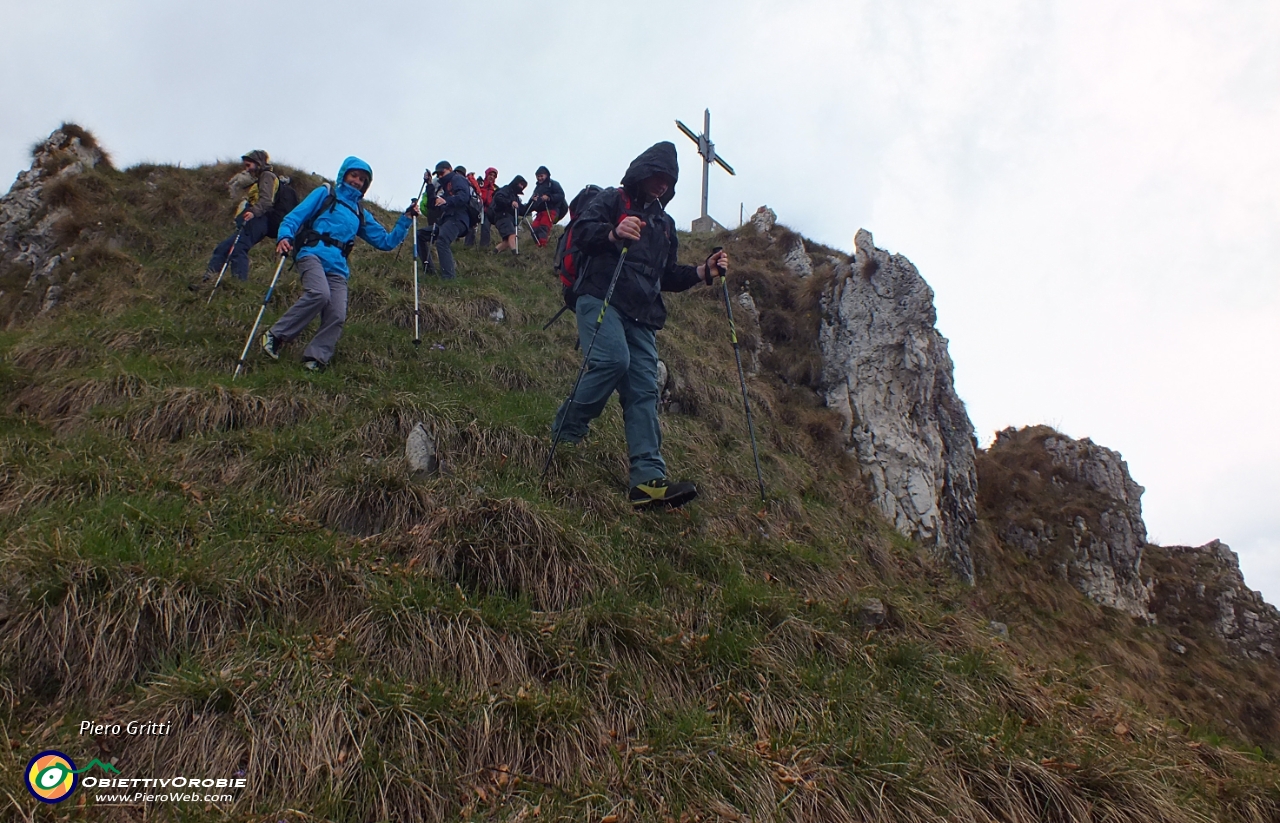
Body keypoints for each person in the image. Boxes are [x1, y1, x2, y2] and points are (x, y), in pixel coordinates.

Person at [550, 141, 728, 509]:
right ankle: (565, 432)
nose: (662, 185)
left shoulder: (665, 225)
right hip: (600, 296)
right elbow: (582, 231)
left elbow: (667, 275)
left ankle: (647, 481)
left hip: (643, 315)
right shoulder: (613, 200)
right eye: (658, 176)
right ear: (642, 171)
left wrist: (702, 271)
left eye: (669, 180)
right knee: (613, 361)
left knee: (644, 390)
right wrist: (614, 233)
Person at [260, 156, 415, 371]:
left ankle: (315, 358)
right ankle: (276, 335)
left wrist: (405, 219)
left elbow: (385, 242)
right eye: (354, 176)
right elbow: (295, 217)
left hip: (338, 267)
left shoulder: (360, 212)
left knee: (337, 314)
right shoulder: (325, 193)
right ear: (344, 175)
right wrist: (285, 236)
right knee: (319, 294)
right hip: (312, 253)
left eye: (362, 179)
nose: (357, 182)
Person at [199, 150, 279, 284]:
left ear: (258, 163)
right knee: (223, 248)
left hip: (258, 219)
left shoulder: (267, 176)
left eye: (249, 165)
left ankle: (238, 285)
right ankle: (208, 281)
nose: (247, 169)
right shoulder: (259, 178)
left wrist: (253, 212)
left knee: (239, 248)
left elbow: (266, 201)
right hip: (254, 219)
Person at [416, 161, 471, 280]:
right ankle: (430, 271)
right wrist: (429, 184)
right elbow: (433, 204)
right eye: (438, 175)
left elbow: (464, 196)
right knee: (420, 235)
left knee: (442, 240)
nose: (440, 176)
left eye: (442, 172)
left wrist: (447, 201)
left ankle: (449, 278)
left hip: (458, 219)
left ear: (450, 169)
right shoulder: (446, 187)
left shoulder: (458, 179)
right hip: (447, 221)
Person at [525, 165, 567, 247]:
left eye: (541, 176)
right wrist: (532, 201)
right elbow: (532, 202)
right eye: (538, 176)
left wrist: (549, 198)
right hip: (540, 212)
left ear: (546, 175)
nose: (539, 178)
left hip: (551, 210)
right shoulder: (537, 188)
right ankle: (538, 245)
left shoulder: (553, 184)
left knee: (544, 227)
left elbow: (561, 195)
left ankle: (543, 247)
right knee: (534, 228)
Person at [491, 175, 527, 254]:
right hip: (502, 216)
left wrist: (532, 201)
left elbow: (523, 210)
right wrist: (510, 202)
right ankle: (515, 253)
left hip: (508, 218)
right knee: (512, 235)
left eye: (523, 186)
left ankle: (494, 252)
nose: (521, 186)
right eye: (520, 184)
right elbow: (498, 198)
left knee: (508, 241)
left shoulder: (516, 197)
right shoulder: (506, 189)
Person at [475, 167, 499, 246]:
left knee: (486, 228)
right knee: (471, 227)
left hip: (487, 211)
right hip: (477, 208)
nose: (492, 177)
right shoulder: (479, 183)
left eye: (494, 176)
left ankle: (484, 247)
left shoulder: (496, 189)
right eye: (490, 174)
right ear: (486, 174)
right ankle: (467, 246)